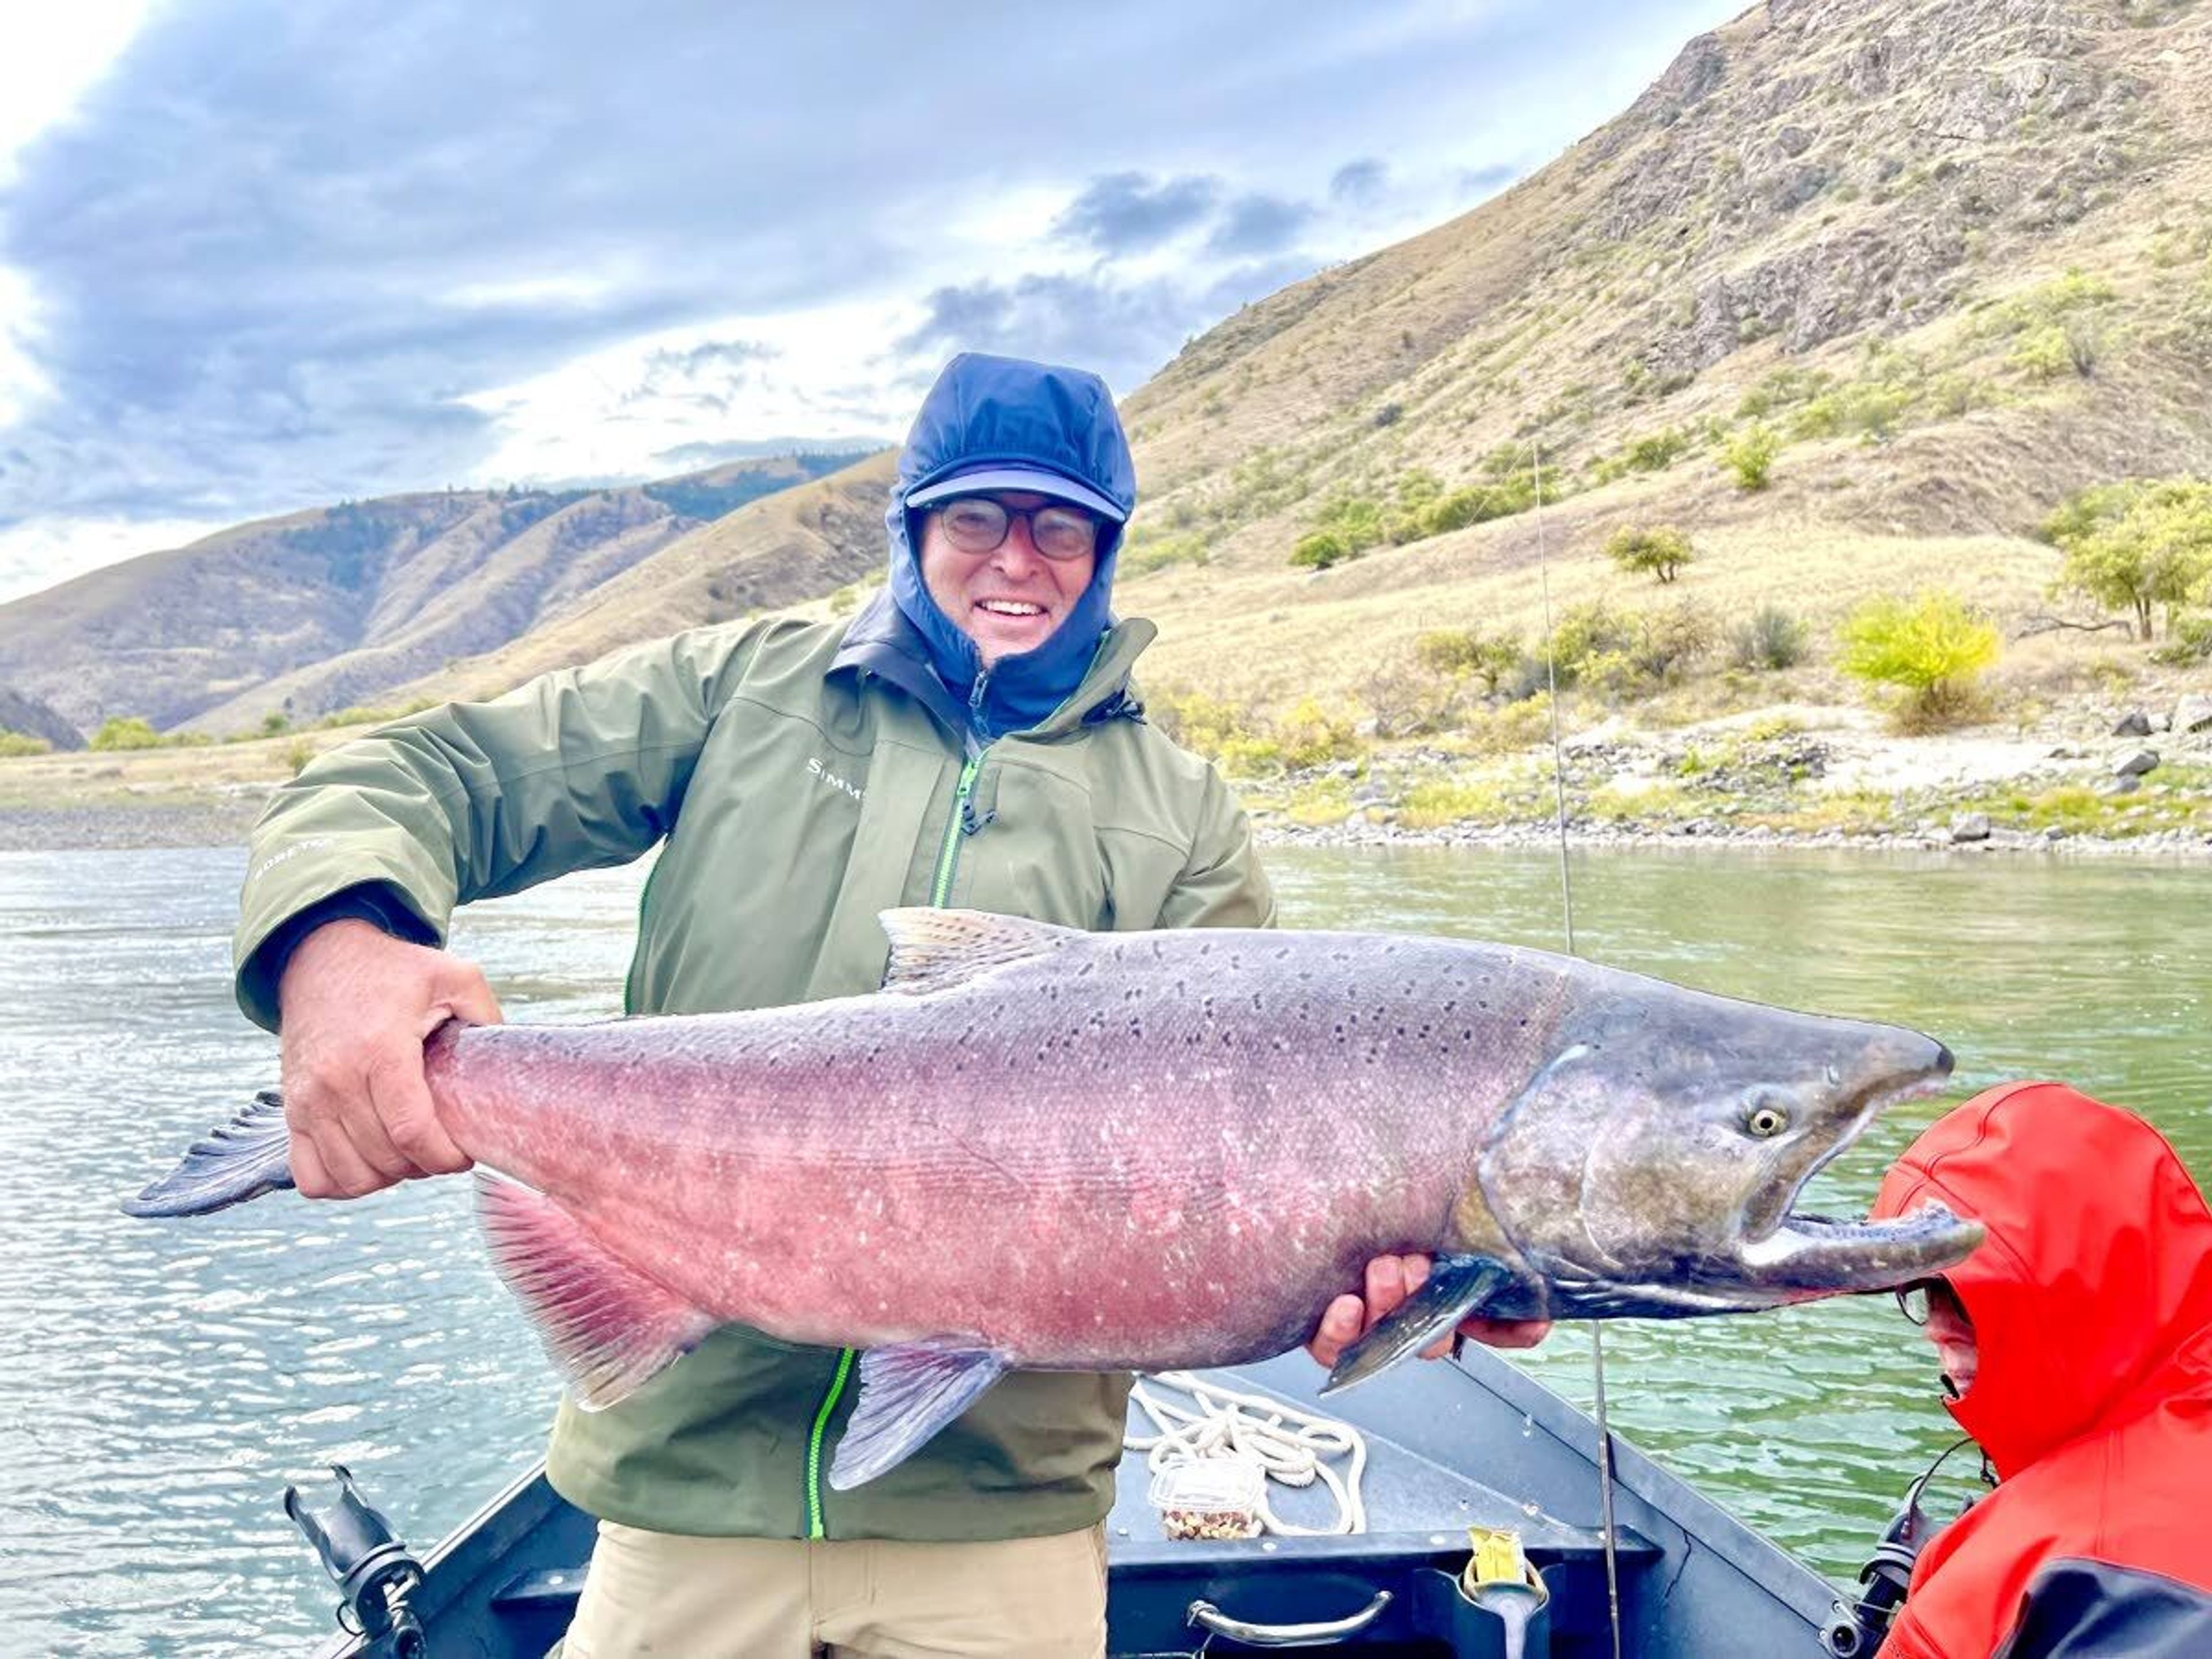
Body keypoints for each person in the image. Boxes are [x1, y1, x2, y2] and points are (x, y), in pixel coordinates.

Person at [233, 350, 1541, 1659]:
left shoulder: (1182, 816)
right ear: (911, 526)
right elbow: (427, 770)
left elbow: (1241, 1165)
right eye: (975, 517)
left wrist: (1399, 1258)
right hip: (682, 1490)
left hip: (1003, 1527)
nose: (1015, 561)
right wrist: (338, 940)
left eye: (1059, 526)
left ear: (1107, 548)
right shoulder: (739, 691)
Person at [1869, 1080, 2212, 1659]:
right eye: (1924, 1292)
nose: (1936, 1327)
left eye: (1963, 1294)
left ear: (2076, 1298)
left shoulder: (2034, 1566)